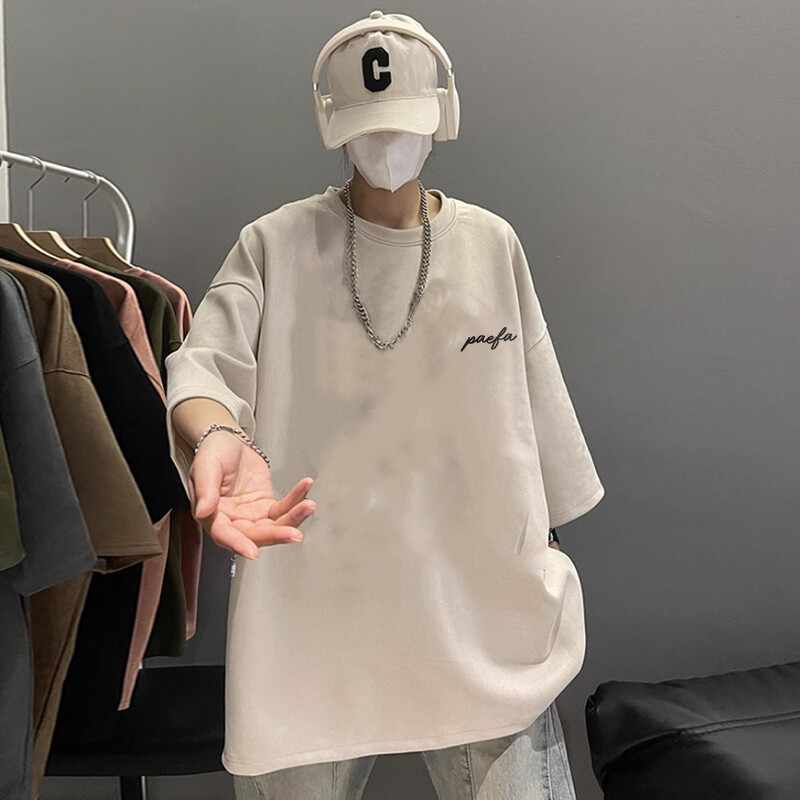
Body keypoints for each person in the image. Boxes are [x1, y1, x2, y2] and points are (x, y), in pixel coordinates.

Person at [165, 10, 605, 800]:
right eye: (369, 126)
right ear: (334, 124)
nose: (388, 144)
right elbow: (204, 369)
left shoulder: (491, 245)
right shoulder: (274, 245)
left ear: (442, 112)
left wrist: (538, 546)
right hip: (314, 625)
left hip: (479, 617)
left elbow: (541, 431)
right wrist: (216, 435)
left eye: (402, 120)